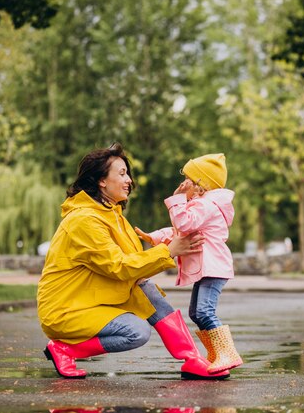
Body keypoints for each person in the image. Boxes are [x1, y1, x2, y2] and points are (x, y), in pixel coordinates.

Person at [37, 143, 229, 380]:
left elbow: (133, 263)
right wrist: (168, 251)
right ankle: (64, 349)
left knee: (145, 287)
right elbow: (118, 266)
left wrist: (168, 243)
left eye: (127, 173)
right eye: (121, 173)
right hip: (68, 308)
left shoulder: (111, 213)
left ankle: (192, 359)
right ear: (101, 181)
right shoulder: (83, 220)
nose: (128, 179)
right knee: (136, 331)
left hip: (96, 295)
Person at [136, 153, 243, 374]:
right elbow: (179, 231)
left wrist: (178, 198)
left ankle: (227, 354)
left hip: (213, 267)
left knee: (204, 311)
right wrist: (154, 237)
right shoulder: (201, 204)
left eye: (189, 180)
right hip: (209, 267)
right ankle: (215, 354)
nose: (184, 184)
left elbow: (184, 223)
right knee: (196, 312)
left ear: (201, 185)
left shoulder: (207, 205)